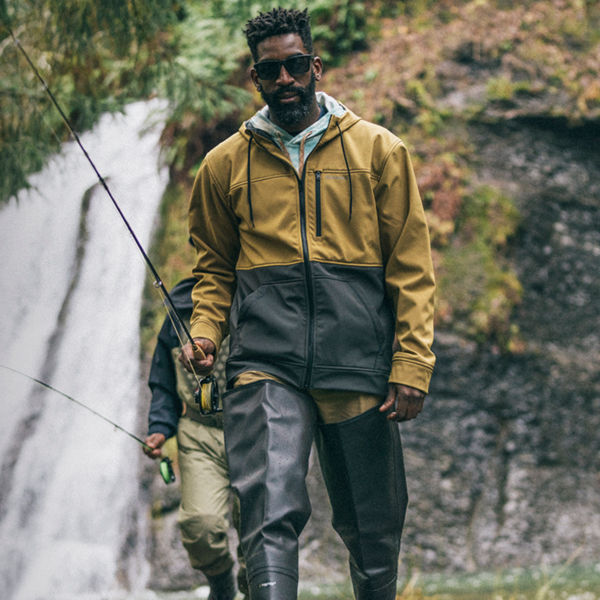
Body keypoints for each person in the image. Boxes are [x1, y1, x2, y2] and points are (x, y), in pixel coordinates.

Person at [181, 7, 436, 600]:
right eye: (272, 71)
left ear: (316, 66)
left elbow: (412, 268)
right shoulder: (222, 166)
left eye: (296, 65)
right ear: (257, 79)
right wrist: (205, 333)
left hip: (358, 365)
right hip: (265, 365)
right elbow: (213, 271)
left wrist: (412, 364)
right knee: (267, 515)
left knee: (373, 529)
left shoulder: (380, 152)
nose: (286, 80)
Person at [143, 277, 247, 600]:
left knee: (259, 531)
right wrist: (160, 426)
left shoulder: (258, 289)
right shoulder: (178, 306)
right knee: (200, 526)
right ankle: (221, 586)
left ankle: (255, 589)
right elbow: (162, 380)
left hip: (254, 429)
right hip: (198, 432)